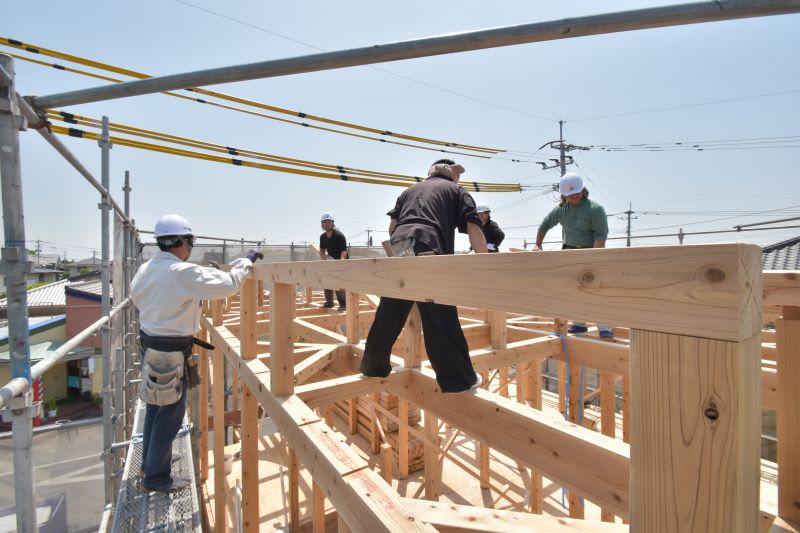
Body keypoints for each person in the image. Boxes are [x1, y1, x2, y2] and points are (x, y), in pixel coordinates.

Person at [131, 214, 262, 493]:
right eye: (190, 242)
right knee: (171, 414)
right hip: (169, 354)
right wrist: (245, 263)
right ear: (183, 241)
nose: (190, 248)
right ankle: (156, 477)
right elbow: (228, 284)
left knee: (156, 406)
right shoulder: (180, 273)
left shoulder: (146, 269)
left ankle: (151, 461)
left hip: (151, 347)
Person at [360, 158, 488, 393]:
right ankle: (458, 380)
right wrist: (487, 264)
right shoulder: (457, 190)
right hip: (429, 245)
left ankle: (372, 366)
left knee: (392, 307)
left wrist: (401, 252)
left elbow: (393, 227)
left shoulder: (409, 190)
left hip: (399, 245)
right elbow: (474, 227)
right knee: (439, 311)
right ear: (452, 174)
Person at [533, 173, 613, 339]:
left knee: (594, 290)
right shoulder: (562, 210)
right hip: (569, 252)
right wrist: (538, 244)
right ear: (564, 195)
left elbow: (600, 236)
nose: (574, 196)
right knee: (573, 290)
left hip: (590, 251)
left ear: (583, 190)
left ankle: (604, 325)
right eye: (570, 194)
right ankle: (579, 324)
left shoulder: (595, 209)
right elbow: (545, 225)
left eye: (577, 192)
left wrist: (594, 259)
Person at [318, 212, 348, 310]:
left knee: (339, 284)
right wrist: (323, 256)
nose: (327, 224)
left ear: (333, 223)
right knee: (327, 282)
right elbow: (322, 248)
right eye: (325, 222)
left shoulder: (339, 235)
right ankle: (329, 302)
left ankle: (343, 304)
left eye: (329, 222)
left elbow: (344, 250)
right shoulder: (322, 237)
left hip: (341, 261)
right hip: (331, 261)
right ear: (322, 224)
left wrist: (340, 262)